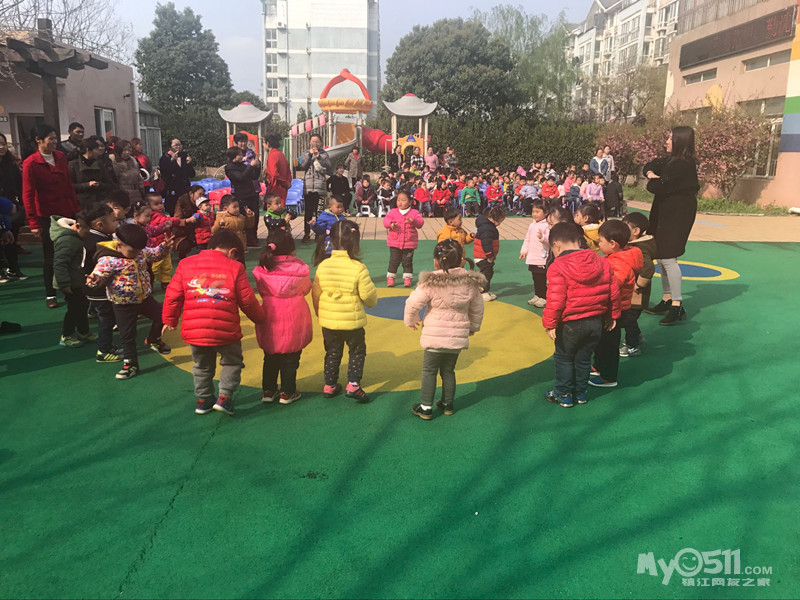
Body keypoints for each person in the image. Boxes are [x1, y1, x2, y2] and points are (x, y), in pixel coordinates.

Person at [162, 229, 265, 416]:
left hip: (196, 332)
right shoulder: (235, 268)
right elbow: (247, 300)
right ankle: (225, 397)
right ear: (232, 252)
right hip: (226, 330)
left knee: (201, 366)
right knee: (231, 363)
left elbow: (173, 295)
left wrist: (170, 319)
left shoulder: (185, 264)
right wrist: (260, 318)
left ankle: (203, 400)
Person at [404, 240, 485, 420]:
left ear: (436, 261)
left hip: (435, 335)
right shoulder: (470, 284)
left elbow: (413, 303)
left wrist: (411, 319)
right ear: (461, 260)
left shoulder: (431, 282)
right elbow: (478, 308)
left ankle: (426, 407)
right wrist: (473, 327)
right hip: (456, 336)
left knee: (429, 371)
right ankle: (447, 403)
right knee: (448, 370)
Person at [542, 222, 620, 408]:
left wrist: (550, 323)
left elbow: (556, 299)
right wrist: (612, 315)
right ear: (579, 241)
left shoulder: (557, 266)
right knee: (583, 358)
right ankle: (580, 393)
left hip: (570, 323)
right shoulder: (601, 261)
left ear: (556, 246)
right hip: (595, 322)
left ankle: (563, 393)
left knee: (564, 357)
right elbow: (613, 291)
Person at [87, 224, 172, 380]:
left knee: (163, 316)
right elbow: (98, 276)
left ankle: (153, 339)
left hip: (144, 298)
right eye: (133, 251)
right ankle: (131, 364)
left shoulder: (140, 252)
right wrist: (94, 280)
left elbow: (154, 254)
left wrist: (164, 247)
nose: (137, 254)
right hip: (123, 304)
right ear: (119, 245)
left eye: (140, 251)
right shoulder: (108, 260)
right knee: (127, 336)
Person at [311, 220, 378, 403]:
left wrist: (320, 312)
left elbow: (316, 292)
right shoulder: (358, 267)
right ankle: (353, 384)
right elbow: (369, 296)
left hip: (329, 320)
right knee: (357, 350)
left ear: (331, 240)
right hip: (352, 321)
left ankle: (330, 384)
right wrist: (371, 301)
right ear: (354, 241)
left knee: (332, 352)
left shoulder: (323, 266)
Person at [643, 125, 700, 325]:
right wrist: (651, 173)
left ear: (679, 141)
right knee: (661, 257)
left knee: (668, 257)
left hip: (678, 214)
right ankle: (667, 298)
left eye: (669, 138)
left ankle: (677, 305)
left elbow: (658, 186)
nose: (666, 142)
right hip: (664, 212)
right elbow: (650, 165)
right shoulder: (669, 160)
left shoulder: (684, 165)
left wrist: (652, 180)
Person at [22, 123, 80, 308]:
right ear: (38, 140)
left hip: (67, 211)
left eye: (56, 138)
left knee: (71, 250)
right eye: (51, 139)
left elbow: (68, 185)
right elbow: (28, 194)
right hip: (47, 215)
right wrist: (33, 223)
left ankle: (69, 287)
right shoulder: (31, 163)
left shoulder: (60, 156)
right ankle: (50, 294)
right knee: (51, 255)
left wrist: (75, 209)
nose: (55, 142)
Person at [253, 228, 313, 405]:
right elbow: (306, 289)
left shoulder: (263, 269)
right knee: (291, 357)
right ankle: (287, 392)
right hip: (294, 314)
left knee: (270, 356)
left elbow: (262, 291)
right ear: (291, 249)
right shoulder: (300, 269)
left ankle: (268, 390)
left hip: (270, 313)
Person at [589, 220, 643, 389]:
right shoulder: (616, 258)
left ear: (613, 244)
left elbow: (612, 285)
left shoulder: (619, 263)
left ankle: (608, 377)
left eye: (601, 241)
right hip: (611, 308)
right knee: (601, 341)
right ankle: (598, 366)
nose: (599, 244)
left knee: (609, 344)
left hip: (615, 310)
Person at [80, 203, 121, 362]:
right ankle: (104, 351)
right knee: (106, 319)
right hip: (98, 288)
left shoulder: (96, 237)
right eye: (113, 220)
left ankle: (108, 346)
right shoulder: (97, 242)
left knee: (107, 317)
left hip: (96, 286)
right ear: (99, 225)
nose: (117, 223)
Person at [51, 213, 95, 348]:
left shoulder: (75, 238)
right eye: (86, 230)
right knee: (74, 309)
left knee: (82, 306)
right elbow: (60, 263)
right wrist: (65, 284)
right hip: (69, 283)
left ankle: (83, 332)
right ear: (77, 226)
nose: (88, 234)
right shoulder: (68, 241)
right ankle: (67, 335)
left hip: (76, 280)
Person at [620, 212, 657, 357]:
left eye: (625, 228)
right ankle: (638, 336)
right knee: (630, 317)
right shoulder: (634, 246)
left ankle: (632, 346)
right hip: (632, 290)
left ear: (636, 231)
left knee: (629, 318)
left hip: (637, 293)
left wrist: (638, 284)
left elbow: (648, 268)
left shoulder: (639, 249)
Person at [383, 189, 424, 287]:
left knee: (407, 262)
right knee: (394, 261)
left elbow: (420, 223)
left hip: (409, 243)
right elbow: (385, 221)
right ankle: (391, 277)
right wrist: (390, 224)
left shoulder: (414, 213)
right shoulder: (393, 212)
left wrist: (413, 221)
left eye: (403, 200)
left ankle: (407, 278)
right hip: (395, 242)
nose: (400, 202)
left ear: (410, 202)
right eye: (398, 200)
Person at [0, 132, 26, 280]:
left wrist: (19, 203)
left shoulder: (11, 164)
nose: (2, 147)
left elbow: (19, 184)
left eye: (4, 144)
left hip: (11, 207)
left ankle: (13, 268)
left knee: (11, 238)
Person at [224, 146, 261, 247]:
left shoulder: (242, 165)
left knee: (254, 216)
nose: (242, 156)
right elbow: (241, 178)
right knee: (244, 217)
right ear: (234, 157)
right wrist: (250, 166)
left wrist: (257, 166)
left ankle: (253, 238)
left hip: (251, 193)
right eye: (239, 155)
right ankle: (246, 239)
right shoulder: (230, 168)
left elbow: (254, 176)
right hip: (241, 196)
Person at [68, 136, 116, 209]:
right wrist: (87, 185)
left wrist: (99, 184)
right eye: (96, 149)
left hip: (99, 202)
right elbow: (69, 186)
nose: (99, 151)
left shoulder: (100, 164)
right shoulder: (73, 165)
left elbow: (109, 184)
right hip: (81, 204)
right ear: (88, 150)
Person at [300, 134, 331, 242]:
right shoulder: (306, 153)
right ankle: (306, 233)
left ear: (321, 143)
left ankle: (319, 233)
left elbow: (328, 166)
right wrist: (310, 154)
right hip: (308, 187)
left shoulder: (324, 154)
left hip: (320, 187)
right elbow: (303, 166)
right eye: (313, 141)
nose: (315, 143)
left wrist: (318, 156)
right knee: (308, 212)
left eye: (317, 141)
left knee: (319, 212)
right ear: (309, 142)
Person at [520, 198, 550, 308]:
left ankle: (544, 297)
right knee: (535, 277)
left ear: (546, 213)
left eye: (538, 212)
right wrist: (524, 251)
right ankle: (537, 295)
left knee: (542, 278)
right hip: (533, 256)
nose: (535, 214)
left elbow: (550, 240)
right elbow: (527, 239)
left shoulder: (547, 225)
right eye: (533, 212)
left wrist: (543, 238)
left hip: (542, 257)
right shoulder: (532, 225)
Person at [211, 194, 256, 262]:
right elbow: (213, 231)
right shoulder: (221, 218)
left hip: (240, 245)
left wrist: (250, 217)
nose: (237, 209)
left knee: (241, 263)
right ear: (225, 208)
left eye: (238, 206)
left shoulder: (241, 217)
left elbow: (249, 225)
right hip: (228, 248)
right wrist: (219, 224)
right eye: (234, 207)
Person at [474, 206, 505, 302]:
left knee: (487, 273)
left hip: (483, 255)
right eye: (500, 221)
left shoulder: (486, 226)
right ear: (493, 218)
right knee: (486, 274)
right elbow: (486, 243)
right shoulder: (487, 228)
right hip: (484, 256)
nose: (500, 223)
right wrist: (489, 255)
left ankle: (484, 290)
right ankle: (483, 292)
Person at [158, 138, 195, 215]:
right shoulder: (165, 158)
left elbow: (192, 174)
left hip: (184, 189)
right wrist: (171, 161)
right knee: (174, 212)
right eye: (176, 145)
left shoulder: (184, 157)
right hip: (172, 190)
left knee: (187, 211)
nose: (178, 147)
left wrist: (189, 164)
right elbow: (164, 173)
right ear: (170, 147)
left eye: (180, 145)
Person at [172, 184, 205, 260]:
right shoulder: (182, 203)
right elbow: (176, 220)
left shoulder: (203, 204)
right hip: (183, 233)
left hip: (199, 231)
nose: (201, 197)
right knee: (185, 246)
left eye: (203, 195)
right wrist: (187, 220)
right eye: (199, 194)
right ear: (191, 194)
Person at [111, 140, 145, 207]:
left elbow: (139, 178)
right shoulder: (116, 164)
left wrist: (142, 190)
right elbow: (115, 181)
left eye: (129, 150)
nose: (127, 152)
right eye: (124, 150)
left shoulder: (134, 161)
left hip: (137, 193)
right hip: (124, 194)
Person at [263, 134, 292, 206]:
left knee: (274, 208)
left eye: (263, 143)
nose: (263, 145)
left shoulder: (272, 155)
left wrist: (284, 183)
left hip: (275, 187)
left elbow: (274, 173)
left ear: (268, 143)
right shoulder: (281, 154)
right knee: (281, 207)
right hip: (283, 188)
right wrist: (287, 183)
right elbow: (288, 171)